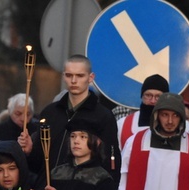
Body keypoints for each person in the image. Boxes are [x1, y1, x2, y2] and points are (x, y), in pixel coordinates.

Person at [22, 54, 121, 182]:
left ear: (91, 78)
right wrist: (29, 151)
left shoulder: (103, 117)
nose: (74, 80)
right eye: (69, 75)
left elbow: (110, 164)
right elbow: (37, 165)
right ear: (64, 76)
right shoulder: (49, 112)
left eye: (80, 75)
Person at [116, 74, 169, 148]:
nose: (153, 101)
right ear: (142, 96)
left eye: (158, 96)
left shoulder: (179, 126)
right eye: (148, 95)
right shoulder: (122, 124)